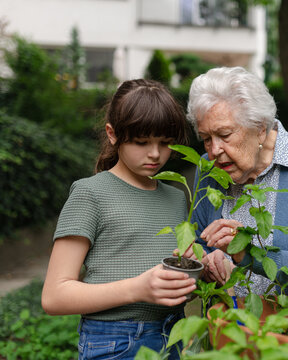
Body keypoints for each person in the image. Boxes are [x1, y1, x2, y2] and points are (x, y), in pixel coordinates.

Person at [41, 79, 195, 359]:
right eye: (141, 142)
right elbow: (54, 296)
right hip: (115, 341)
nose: (155, 154)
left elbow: (172, 283)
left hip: (173, 333)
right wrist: (138, 289)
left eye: (165, 143)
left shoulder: (175, 196)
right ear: (112, 134)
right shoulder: (90, 193)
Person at [185, 66, 288, 297]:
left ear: (260, 128)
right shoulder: (207, 168)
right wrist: (206, 263)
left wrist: (250, 254)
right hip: (227, 326)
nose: (214, 150)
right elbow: (200, 245)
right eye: (206, 138)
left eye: (225, 135)